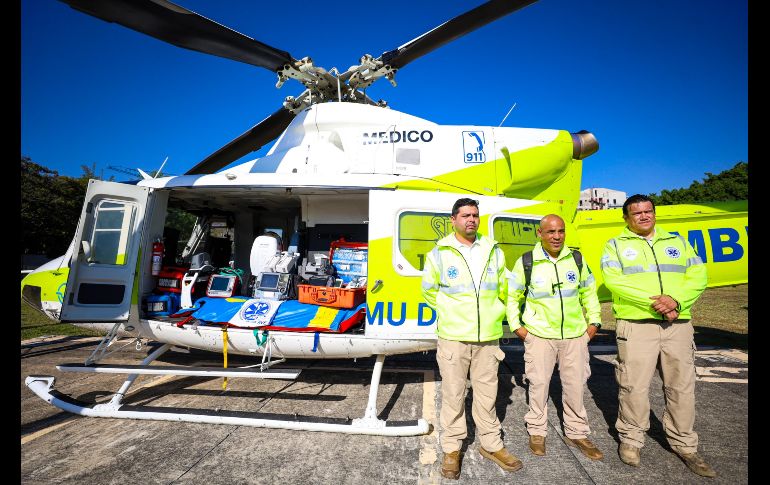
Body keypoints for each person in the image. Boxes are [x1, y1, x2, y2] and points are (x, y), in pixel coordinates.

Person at [600, 194, 715, 478]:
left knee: (681, 386)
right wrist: (658, 303)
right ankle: (631, 440)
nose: (643, 216)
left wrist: (676, 301)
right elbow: (615, 281)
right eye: (636, 213)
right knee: (633, 386)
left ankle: (685, 444)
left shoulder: (676, 242)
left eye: (648, 211)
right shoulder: (615, 245)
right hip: (637, 324)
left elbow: (698, 275)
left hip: (677, 324)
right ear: (626, 217)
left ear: (654, 213)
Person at [421, 198, 523, 480]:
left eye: (475, 215)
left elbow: (505, 286)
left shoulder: (492, 250)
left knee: (488, 395)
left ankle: (491, 444)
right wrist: (452, 312)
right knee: (453, 395)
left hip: (488, 336)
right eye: (465, 215)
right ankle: (452, 449)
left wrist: (497, 312)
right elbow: (429, 291)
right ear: (453, 219)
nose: (471, 219)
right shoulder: (440, 253)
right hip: (454, 336)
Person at [506, 214, 604, 460]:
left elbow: (589, 292)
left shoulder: (577, 259)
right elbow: (513, 297)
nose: (557, 236)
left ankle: (576, 431)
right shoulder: (527, 262)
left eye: (560, 231)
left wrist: (593, 322)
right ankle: (537, 431)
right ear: (540, 234)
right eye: (550, 232)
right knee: (538, 384)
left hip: (574, 335)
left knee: (575, 384)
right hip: (539, 336)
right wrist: (519, 328)